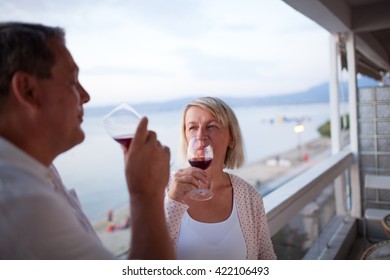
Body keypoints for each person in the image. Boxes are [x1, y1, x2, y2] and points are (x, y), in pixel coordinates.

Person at [0, 22, 174, 259]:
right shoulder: (21, 204)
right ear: (28, 90)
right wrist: (146, 194)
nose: (86, 96)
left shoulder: (38, 169)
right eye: (72, 82)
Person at [165, 97, 276, 259]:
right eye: (193, 128)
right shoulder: (163, 189)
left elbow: (266, 257)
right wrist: (173, 200)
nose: (201, 136)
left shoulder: (250, 197)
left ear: (232, 138)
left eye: (211, 126)